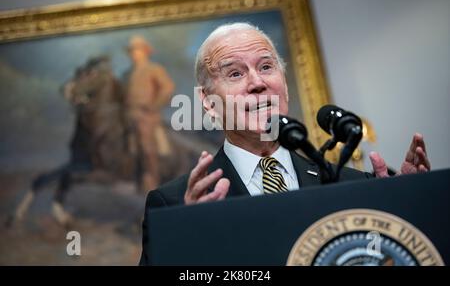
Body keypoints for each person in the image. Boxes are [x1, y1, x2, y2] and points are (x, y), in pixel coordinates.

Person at [139, 23, 430, 264]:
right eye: (235, 73)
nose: (257, 83)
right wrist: (187, 238)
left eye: (266, 67)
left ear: (284, 84)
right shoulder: (173, 206)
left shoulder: (356, 185)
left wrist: (410, 209)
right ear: (207, 101)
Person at [124, 35, 175, 192]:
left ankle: (152, 184)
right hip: (129, 116)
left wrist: (154, 105)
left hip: (147, 117)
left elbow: (167, 88)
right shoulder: (128, 74)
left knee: (147, 149)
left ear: (145, 52)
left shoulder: (154, 69)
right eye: (132, 51)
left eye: (138, 50)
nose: (135, 54)